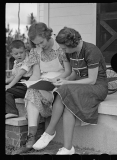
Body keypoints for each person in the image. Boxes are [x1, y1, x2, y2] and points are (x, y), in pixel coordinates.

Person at [32, 27, 108, 155]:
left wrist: (67, 82)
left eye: (64, 48)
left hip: (97, 87)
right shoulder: (70, 52)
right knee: (67, 102)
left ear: (73, 44)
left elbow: (92, 80)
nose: (63, 50)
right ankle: (68, 148)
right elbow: (74, 73)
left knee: (65, 89)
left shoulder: (91, 50)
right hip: (79, 85)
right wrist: (62, 80)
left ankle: (49, 131)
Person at [13, 22, 71, 154]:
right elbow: (36, 74)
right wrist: (30, 84)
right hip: (44, 82)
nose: (40, 46)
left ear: (47, 35)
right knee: (31, 91)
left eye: (41, 42)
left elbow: (68, 71)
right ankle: (31, 138)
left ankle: (46, 133)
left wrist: (57, 80)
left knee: (42, 91)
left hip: (60, 80)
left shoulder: (60, 47)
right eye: (36, 44)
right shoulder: (35, 51)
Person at [6, 40, 40, 119]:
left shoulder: (27, 61)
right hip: (19, 84)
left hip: (26, 85)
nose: (19, 55)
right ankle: (8, 111)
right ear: (12, 54)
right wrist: (7, 82)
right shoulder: (16, 62)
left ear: (25, 51)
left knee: (7, 90)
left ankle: (12, 111)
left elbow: (19, 75)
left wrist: (9, 85)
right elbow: (14, 76)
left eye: (21, 52)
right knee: (7, 92)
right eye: (16, 54)